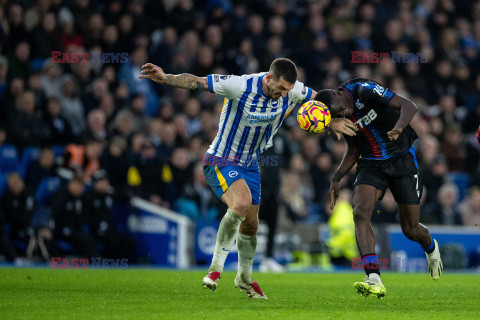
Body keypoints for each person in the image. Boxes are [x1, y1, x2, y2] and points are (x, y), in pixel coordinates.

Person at [139, 58, 357, 298]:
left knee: (251, 225)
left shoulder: (291, 90)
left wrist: (332, 118)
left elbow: (317, 98)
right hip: (220, 159)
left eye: (288, 90)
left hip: (250, 164)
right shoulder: (240, 86)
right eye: (281, 88)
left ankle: (244, 279)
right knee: (241, 203)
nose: (285, 94)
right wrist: (166, 78)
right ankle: (215, 270)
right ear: (269, 78)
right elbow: (198, 82)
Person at [316, 78, 443, 298]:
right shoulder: (342, 116)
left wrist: (399, 127)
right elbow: (354, 147)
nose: (343, 115)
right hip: (371, 163)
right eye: (337, 116)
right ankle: (373, 276)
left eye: (340, 110)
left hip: (402, 158)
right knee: (360, 213)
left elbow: (409, 105)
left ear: (338, 93)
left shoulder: (363, 90)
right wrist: (337, 177)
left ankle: (431, 247)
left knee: (410, 230)